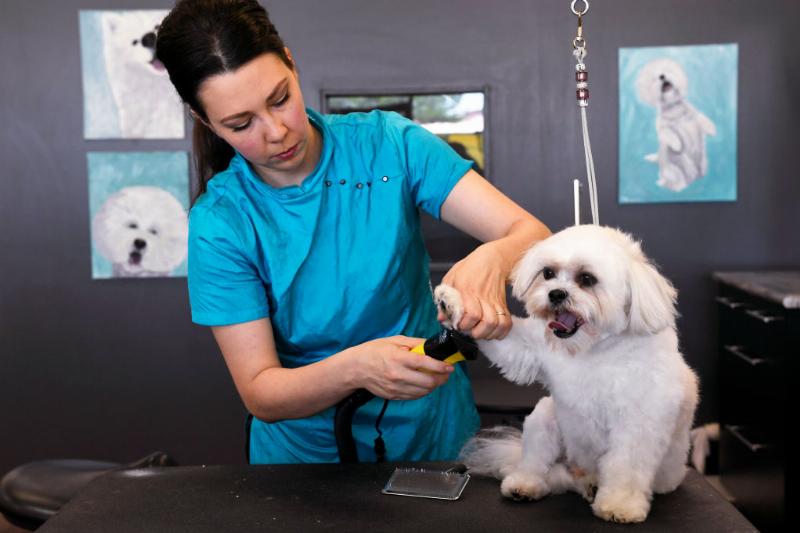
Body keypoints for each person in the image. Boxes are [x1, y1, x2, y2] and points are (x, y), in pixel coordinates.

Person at [156, 0, 551, 464]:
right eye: (241, 124)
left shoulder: (388, 146)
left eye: (280, 98)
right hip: (306, 467)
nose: (277, 131)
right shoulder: (221, 222)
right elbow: (261, 391)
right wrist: (358, 368)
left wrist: (494, 257)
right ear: (205, 120)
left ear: (291, 62)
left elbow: (531, 234)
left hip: (434, 439)